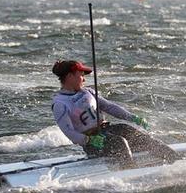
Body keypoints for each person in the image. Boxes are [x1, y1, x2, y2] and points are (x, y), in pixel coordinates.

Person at [50, 60, 178, 165]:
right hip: (93, 143)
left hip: (107, 130)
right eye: (81, 75)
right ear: (69, 76)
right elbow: (69, 132)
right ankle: (130, 172)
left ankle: (178, 163)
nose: (84, 80)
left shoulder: (88, 92)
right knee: (119, 142)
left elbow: (110, 107)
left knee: (137, 135)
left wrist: (132, 117)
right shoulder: (60, 104)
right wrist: (89, 140)